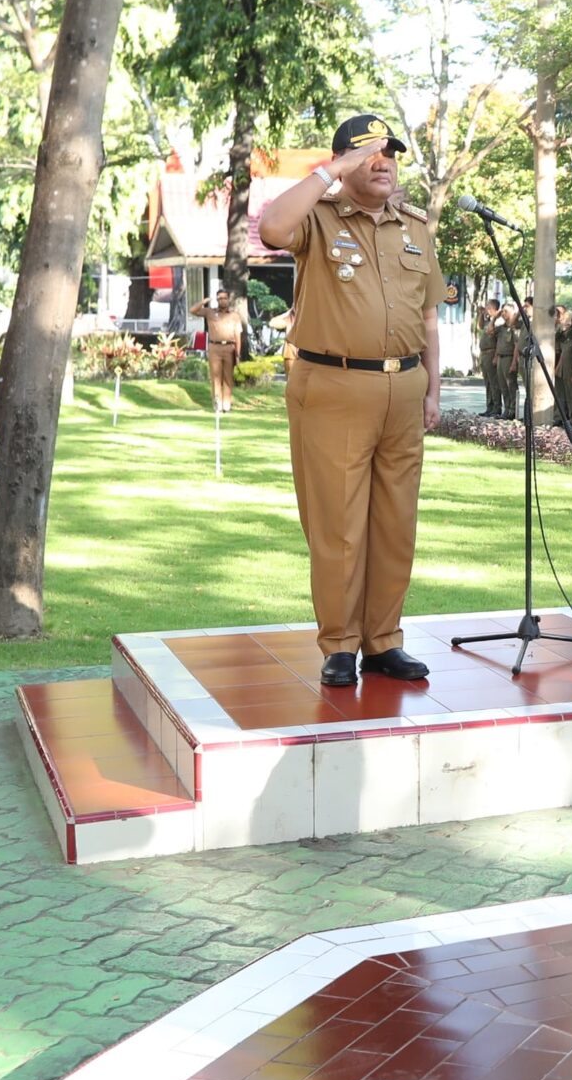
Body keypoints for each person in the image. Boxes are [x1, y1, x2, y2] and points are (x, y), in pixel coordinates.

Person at [253, 113, 443, 687]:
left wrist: (433, 387)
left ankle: (383, 640)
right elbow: (270, 228)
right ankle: (340, 644)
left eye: (391, 154)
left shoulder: (414, 227)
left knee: (394, 523)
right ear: (345, 163)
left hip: (404, 390)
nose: (384, 162)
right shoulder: (317, 216)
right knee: (338, 523)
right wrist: (330, 172)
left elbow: (430, 315)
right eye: (370, 154)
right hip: (334, 385)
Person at [188, 285, 246, 413]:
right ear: (217, 300)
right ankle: (217, 404)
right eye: (220, 298)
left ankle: (226, 404)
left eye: (225, 298)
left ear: (228, 300)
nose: (222, 301)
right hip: (214, 347)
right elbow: (192, 310)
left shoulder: (234, 316)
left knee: (228, 377)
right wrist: (204, 301)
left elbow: (237, 335)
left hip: (229, 347)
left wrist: (238, 353)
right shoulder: (210, 312)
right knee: (216, 377)